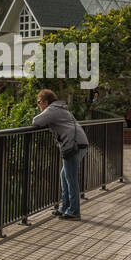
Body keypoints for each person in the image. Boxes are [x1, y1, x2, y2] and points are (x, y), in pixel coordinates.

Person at [32, 89, 88, 220]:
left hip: (72, 145)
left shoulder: (52, 110)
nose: (38, 105)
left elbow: (36, 121)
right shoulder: (61, 108)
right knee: (65, 176)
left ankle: (74, 211)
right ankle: (65, 208)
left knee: (71, 179)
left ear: (46, 102)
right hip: (79, 143)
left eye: (39, 102)